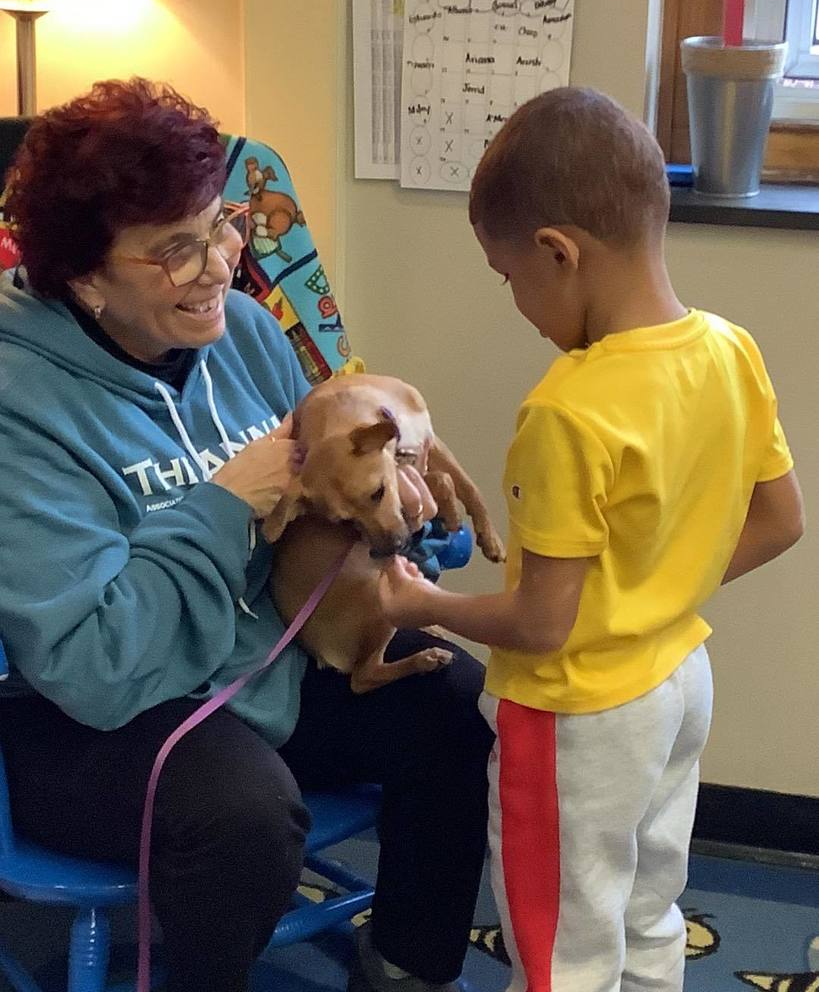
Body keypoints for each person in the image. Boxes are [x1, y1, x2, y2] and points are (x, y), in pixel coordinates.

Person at [0, 78, 493, 992]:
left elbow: (322, 516)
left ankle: (405, 968)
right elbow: (93, 665)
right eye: (174, 250)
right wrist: (225, 503)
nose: (219, 265)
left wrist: (394, 510)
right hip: (79, 716)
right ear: (84, 277)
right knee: (244, 815)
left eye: (219, 225)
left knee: (453, 702)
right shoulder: (16, 399)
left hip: (254, 663)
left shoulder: (247, 336)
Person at [378, 86, 805, 992]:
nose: (518, 304)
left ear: (556, 252)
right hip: (678, 682)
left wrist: (420, 601)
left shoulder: (566, 410)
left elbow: (542, 625)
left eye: (509, 279)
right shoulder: (729, 349)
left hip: (574, 716)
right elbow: (780, 520)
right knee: (649, 909)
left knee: (559, 944)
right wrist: (657, 587)